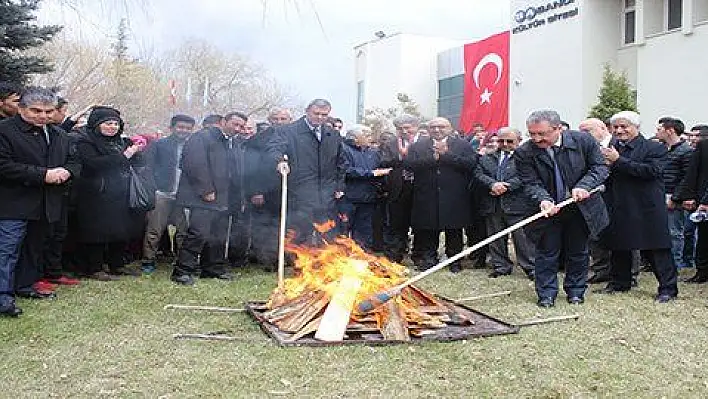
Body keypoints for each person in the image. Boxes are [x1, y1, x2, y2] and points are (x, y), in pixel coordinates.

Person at [514, 110, 609, 308]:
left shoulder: (583, 141)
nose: (536, 139)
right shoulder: (525, 152)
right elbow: (529, 181)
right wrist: (543, 200)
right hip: (548, 211)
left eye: (542, 134)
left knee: (578, 251)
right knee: (546, 252)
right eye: (532, 134)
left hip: (580, 208)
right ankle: (546, 294)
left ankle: (575, 291)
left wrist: (585, 185)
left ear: (559, 129)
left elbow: (599, 168)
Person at [0, 87, 81, 316]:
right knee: (7, 252)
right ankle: (3, 297)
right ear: (21, 108)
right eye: (36, 111)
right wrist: (42, 174)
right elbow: (4, 165)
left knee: (33, 249)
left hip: (47, 204)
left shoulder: (59, 134)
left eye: (48, 111)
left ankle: (25, 285)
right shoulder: (4, 131)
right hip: (12, 204)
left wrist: (67, 172)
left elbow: (75, 161)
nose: (42, 116)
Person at [597, 111, 678, 303]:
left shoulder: (654, 147)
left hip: (645, 206)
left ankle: (668, 289)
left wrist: (618, 161)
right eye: (615, 127)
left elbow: (651, 171)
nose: (619, 130)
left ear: (636, 127)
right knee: (619, 246)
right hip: (618, 204)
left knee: (656, 249)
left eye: (624, 126)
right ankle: (620, 283)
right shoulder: (610, 147)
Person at [75, 106, 149, 280]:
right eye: (108, 123)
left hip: (121, 193)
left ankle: (117, 264)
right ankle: (94, 267)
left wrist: (137, 151)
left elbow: (138, 162)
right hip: (96, 194)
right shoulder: (86, 142)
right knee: (97, 233)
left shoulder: (122, 142)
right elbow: (93, 164)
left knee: (121, 230)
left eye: (115, 124)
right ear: (97, 124)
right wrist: (124, 157)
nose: (112, 127)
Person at [171, 112, 243, 285]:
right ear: (224, 122)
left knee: (218, 235)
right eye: (235, 124)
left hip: (224, 198)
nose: (238, 129)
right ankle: (182, 271)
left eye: (241, 126)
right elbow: (194, 164)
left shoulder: (233, 142)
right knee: (198, 234)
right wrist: (206, 189)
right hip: (203, 197)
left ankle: (213, 269)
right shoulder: (202, 137)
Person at [405, 117, 478, 272]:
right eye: (433, 127)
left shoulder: (462, 145)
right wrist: (432, 159)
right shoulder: (418, 146)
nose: (437, 130)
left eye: (441, 127)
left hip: (454, 196)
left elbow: (470, 165)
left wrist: (446, 155)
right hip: (427, 195)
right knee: (428, 229)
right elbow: (409, 165)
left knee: (454, 230)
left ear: (450, 128)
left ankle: (454, 261)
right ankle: (429, 259)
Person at [268, 99, 344, 245]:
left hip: (326, 192)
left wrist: (339, 186)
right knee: (299, 232)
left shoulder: (332, 134)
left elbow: (341, 163)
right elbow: (274, 148)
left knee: (328, 232)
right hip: (300, 191)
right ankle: (298, 262)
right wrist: (280, 161)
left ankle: (325, 263)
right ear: (307, 111)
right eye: (317, 114)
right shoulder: (288, 131)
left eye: (324, 115)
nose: (320, 118)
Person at [474, 127, 535, 280]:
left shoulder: (526, 158)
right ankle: (501, 266)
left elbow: (527, 176)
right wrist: (492, 185)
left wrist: (506, 186)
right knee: (495, 237)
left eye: (510, 141)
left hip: (517, 205)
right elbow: (478, 173)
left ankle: (530, 267)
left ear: (519, 141)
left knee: (522, 239)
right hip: (493, 204)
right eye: (501, 141)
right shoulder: (487, 157)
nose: (505, 144)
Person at [140, 114, 195, 273]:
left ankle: (182, 261)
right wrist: (153, 188)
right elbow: (148, 167)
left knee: (183, 231)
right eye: (180, 127)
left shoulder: (193, 146)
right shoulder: (159, 144)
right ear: (172, 128)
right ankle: (148, 260)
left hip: (184, 195)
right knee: (154, 230)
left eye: (187, 128)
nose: (183, 131)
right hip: (162, 193)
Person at [339, 124, 391, 249]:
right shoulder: (343, 149)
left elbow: (380, 169)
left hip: (368, 198)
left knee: (364, 231)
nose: (370, 137)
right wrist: (371, 173)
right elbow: (346, 170)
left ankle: (363, 257)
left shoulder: (373, 152)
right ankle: (341, 258)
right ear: (355, 138)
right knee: (343, 230)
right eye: (366, 135)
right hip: (348, 198)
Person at [379, 114, 420, 263]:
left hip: (419, 189)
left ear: (415, 127)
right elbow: (384, 162)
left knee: (420, 225)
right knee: (397, 225)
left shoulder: (424, 142)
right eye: (400, 128)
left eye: (407, 128)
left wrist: (409, 157)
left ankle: (419, 256)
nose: (404, 131)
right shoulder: (390, 144)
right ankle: (395, 256)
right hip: (397, 189)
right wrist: (401, 158)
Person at [655, 117, 693, 270]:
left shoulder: (685, 151)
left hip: (672, 194)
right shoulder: (662, 149)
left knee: (674, 232)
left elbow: (687, 177)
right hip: (659, 192)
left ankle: (674, 264)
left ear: (669, 130)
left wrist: (676, 197)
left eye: (659, 129)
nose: (656, 132)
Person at [678, 127, 708, 284]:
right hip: (703, 198)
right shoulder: (703, 147)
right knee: (703, 237)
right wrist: (690, 197)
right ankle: (702, 271)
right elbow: (692, 174)